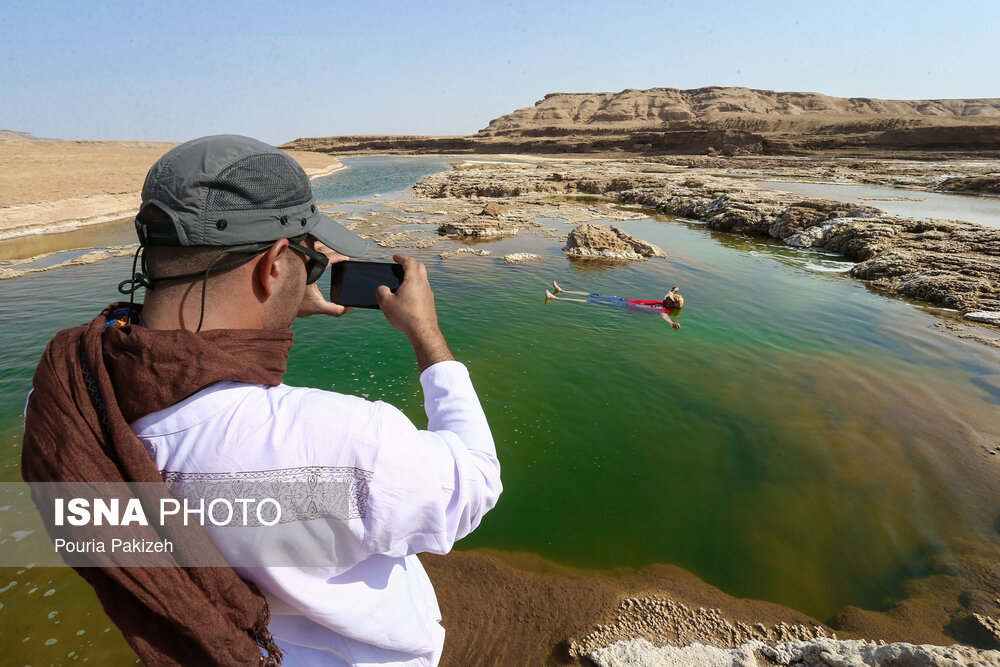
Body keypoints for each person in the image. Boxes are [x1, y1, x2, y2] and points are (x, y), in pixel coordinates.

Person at [21, 135, 501, 666]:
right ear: (273, 265)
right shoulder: (347, 443)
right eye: (308, 259)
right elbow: (475, 482)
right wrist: (426, 335)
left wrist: (279, 300)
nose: (312, 269)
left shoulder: (63, 395)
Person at [545, 280, 684, 329]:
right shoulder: (664, 301)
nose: (667, 298)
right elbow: (666, 294)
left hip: (626, 306)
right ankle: (562, 290)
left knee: (593, 301)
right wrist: (673, 290)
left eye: (670, 299)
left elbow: (665, 318)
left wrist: (672, 324)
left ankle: (555, 298)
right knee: (595, 295)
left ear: (672, 305)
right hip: (626, 299)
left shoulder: (664, 311)